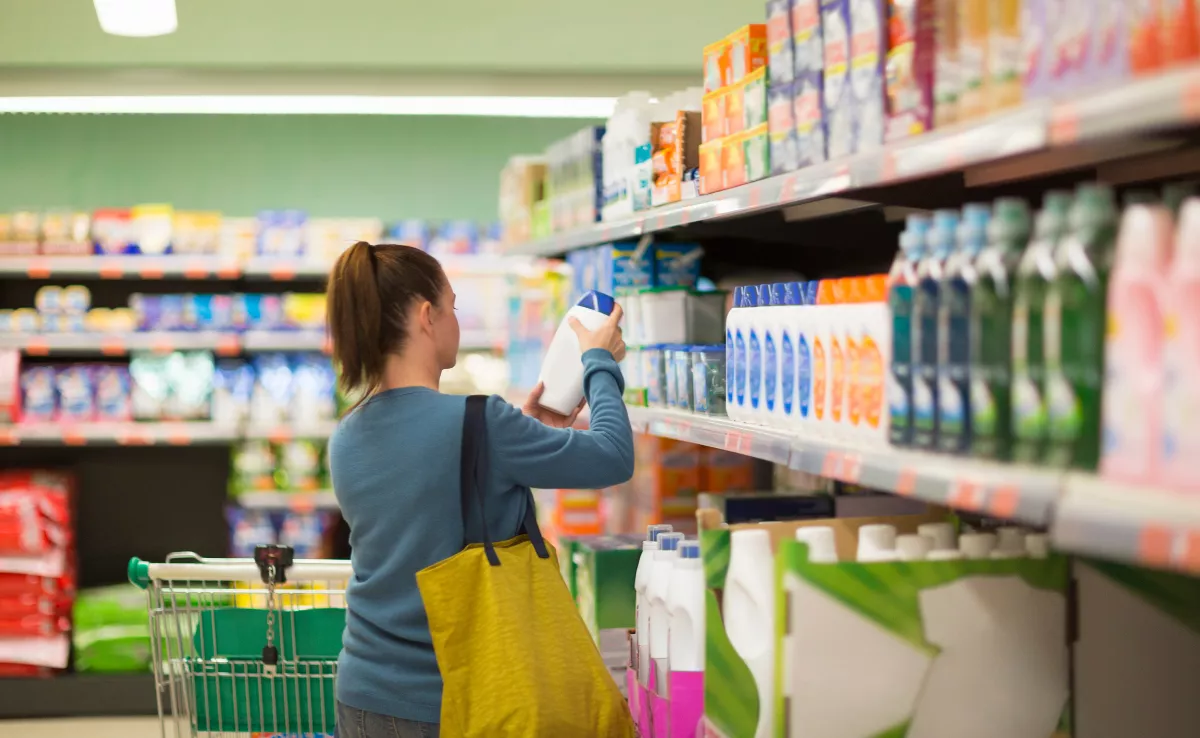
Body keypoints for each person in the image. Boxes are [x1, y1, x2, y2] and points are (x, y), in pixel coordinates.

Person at [325, 241, 635, 738]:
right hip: (453, 699)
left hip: (360, 693)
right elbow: (614, 456)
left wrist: (529, 430)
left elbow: (432, 500)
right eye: (451, 306)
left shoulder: (347, 435)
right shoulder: (481, 422)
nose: (455, 320)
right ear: (426, 316)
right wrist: (599, 362)